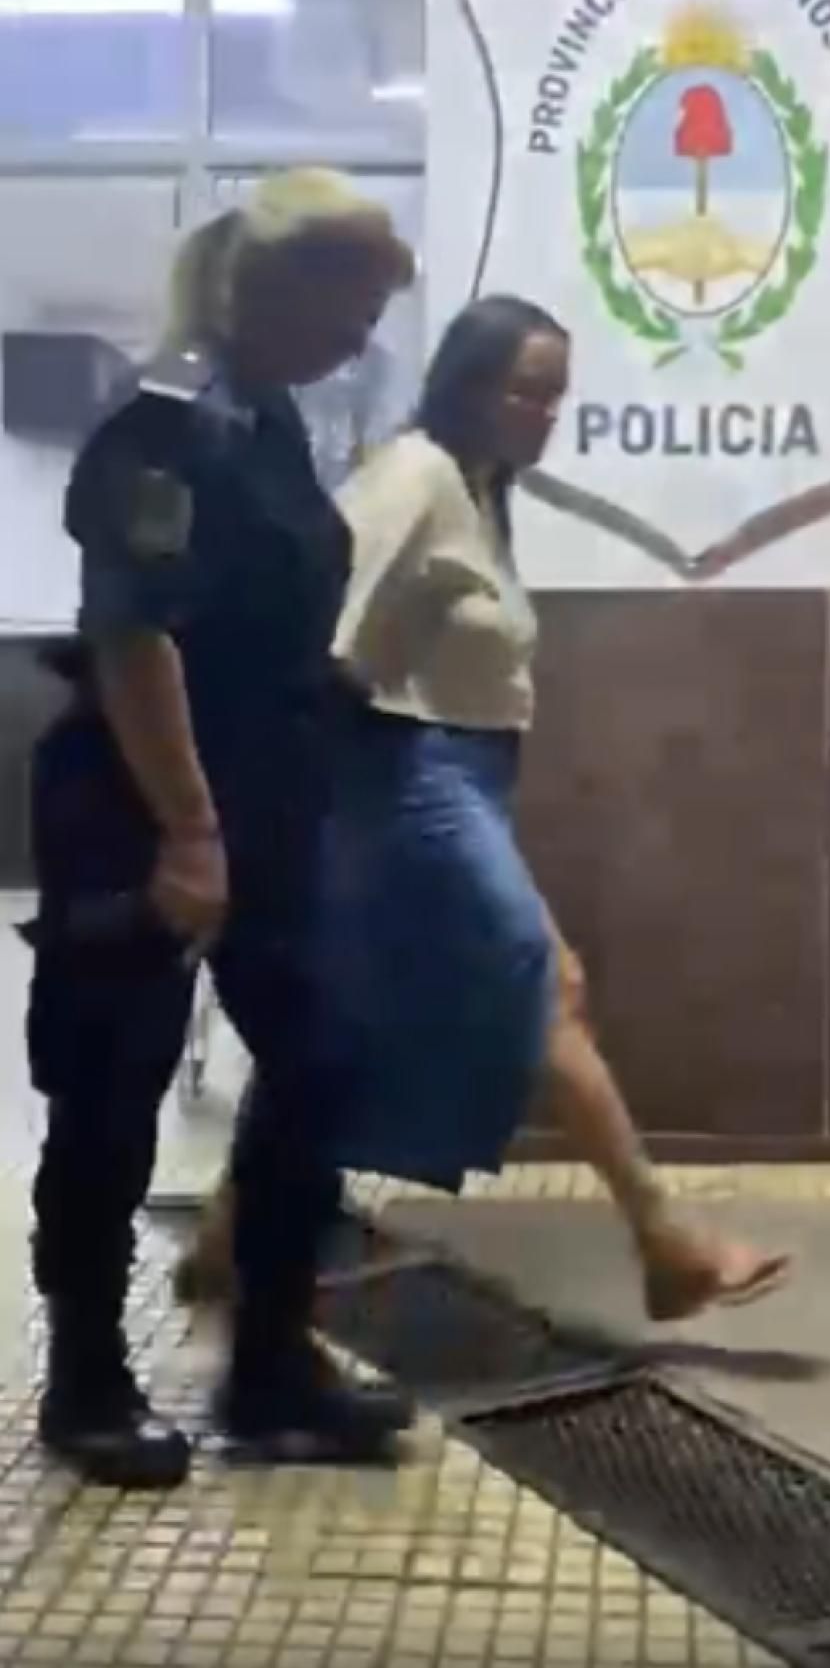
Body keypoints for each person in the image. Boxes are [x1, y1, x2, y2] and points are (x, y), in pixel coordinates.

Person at [173, 295, 788, 1325]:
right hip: (408, 779)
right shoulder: (414, 475)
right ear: (467, 384)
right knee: (545, 986)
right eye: (524, 392)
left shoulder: (480, 488)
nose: (544, 415)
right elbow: (319, 624)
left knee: (347, 1014)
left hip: (458, 783)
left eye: (555, 397)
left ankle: (226, 1241)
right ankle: (666, 1241)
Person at [25, 168, 415, 1489]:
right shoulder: (164, 423)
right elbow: (134, 637)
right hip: (140, 811)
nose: (360, 337)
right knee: (109, 1091)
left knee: (322, 1063)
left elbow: (262, 612)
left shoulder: (267, 418)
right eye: (351, 304)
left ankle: (271, 1369)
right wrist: (189, 834)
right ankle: (86, 1386)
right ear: (276, 284)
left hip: (263, 804)